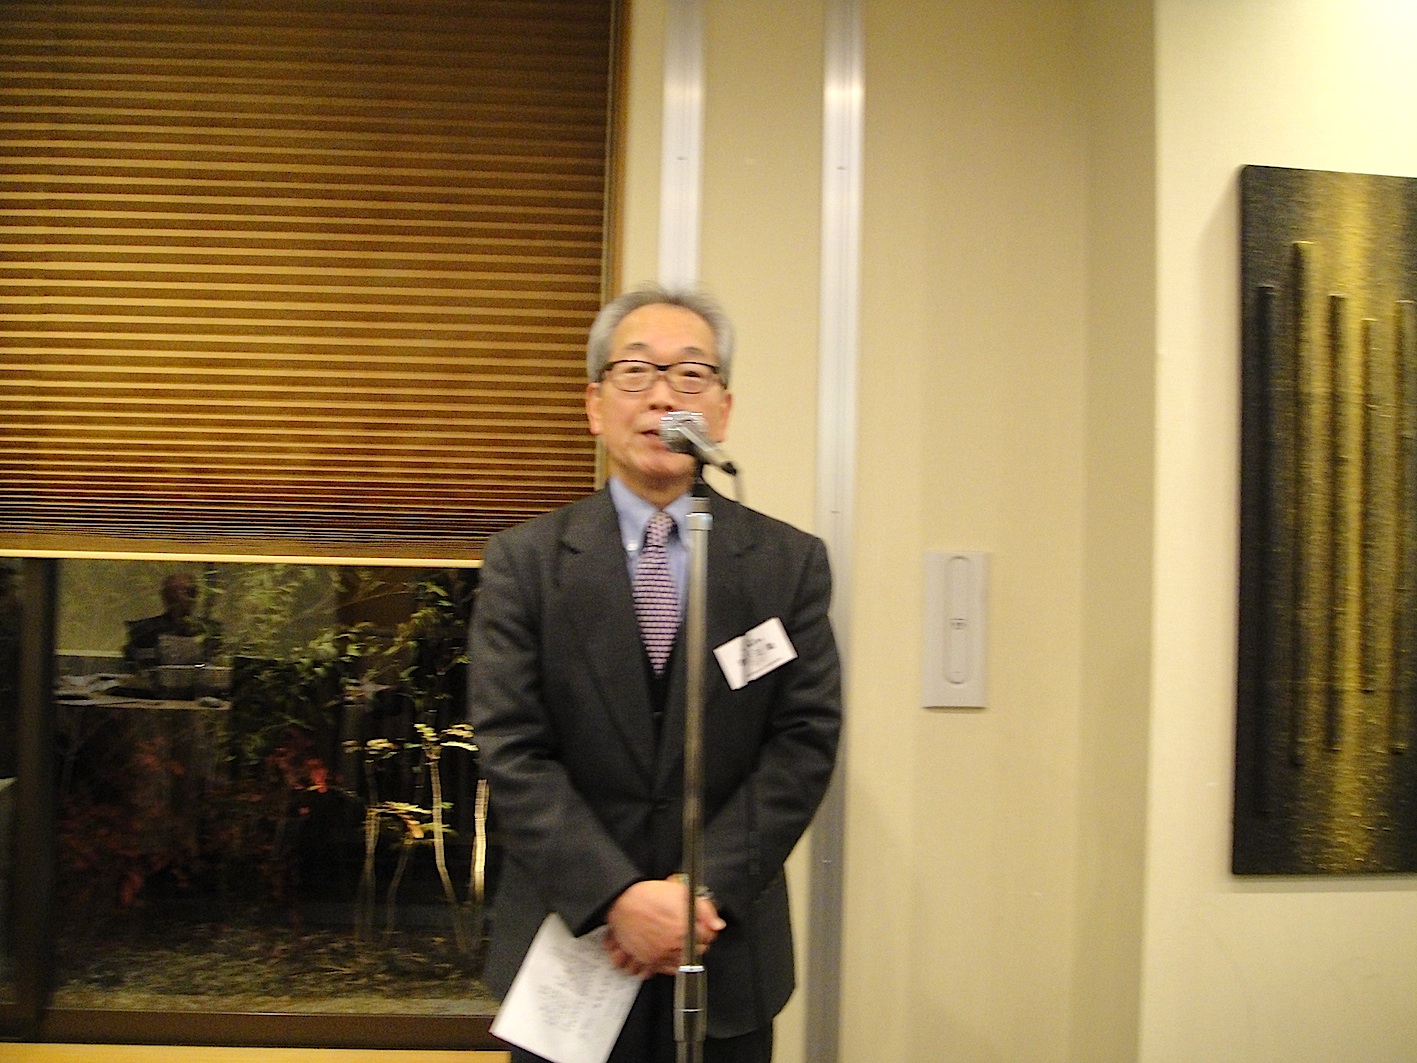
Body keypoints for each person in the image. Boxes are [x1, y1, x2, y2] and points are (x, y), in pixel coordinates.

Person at [467, 284, 843, 1063]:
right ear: (594, 405)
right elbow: (511, 748)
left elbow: (802, 742)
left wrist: (699, 892)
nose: (662, 396)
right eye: (635, 372)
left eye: (690, 374)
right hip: (571, 942)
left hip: (724, 947)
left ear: (722, 412)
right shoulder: (524, 563)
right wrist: (615, 896)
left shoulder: (786, 563)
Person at [123, 571, 214, 665]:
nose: (190, 599)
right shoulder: (144, 631)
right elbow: (135, 665)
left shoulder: (208, 630)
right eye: (174, 595)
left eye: (192, 593)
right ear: (168, 597)